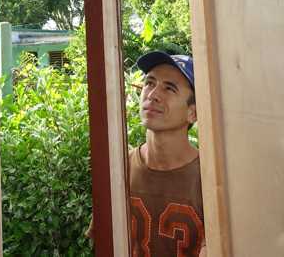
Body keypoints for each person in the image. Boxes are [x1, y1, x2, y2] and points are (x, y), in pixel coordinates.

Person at [88, 51, 206, 257]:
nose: (152, 95)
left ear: (193, 113)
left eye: (169, 88)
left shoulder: (210, 180)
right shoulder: (119, 168)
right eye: (150, 83)